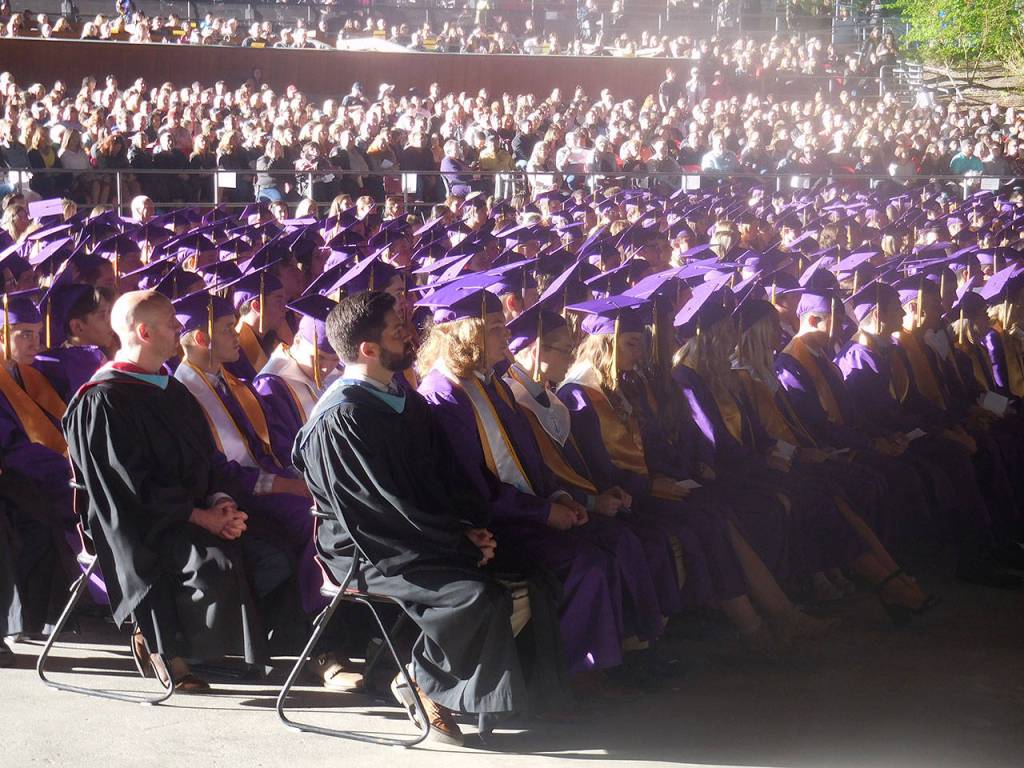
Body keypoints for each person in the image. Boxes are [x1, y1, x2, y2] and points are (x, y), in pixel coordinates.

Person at [293, 291, 570, 745]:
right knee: (477, 595)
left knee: (533, 577)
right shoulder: (342, 416)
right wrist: (458, 542)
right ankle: (422, 681)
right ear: (368, 349)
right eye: (396, 330)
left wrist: (471, 526)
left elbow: (448, 478)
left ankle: (443, 683)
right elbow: (380, 509)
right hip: (366, 547)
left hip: (418, 534)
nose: (409, 335)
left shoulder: (400, 398)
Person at [62, 290, 271, 692]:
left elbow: (208, 459)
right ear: (144, 332)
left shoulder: (171, 390)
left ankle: (252, 650)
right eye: (172, 323)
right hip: (136, 520)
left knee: (273, 547)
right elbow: (125, 488)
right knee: (212, 562)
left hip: (190, 510)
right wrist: (199, 516)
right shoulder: (102, 399)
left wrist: (221, 502)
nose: (179, 329)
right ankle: (166, 647)